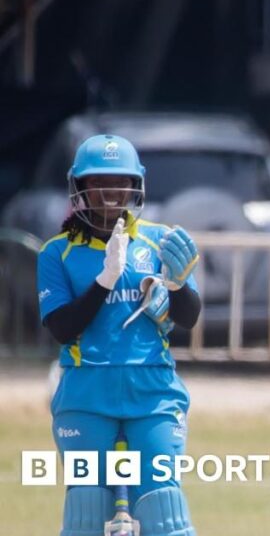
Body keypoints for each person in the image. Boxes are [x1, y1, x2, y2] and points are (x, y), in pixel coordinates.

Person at [36, 134, 202, 536]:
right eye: (98, 183)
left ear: (135, 186)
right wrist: (105, 279)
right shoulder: (57, 252)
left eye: (120, 182)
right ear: (80, 187)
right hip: (86, 393)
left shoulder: (160, 242)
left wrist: (178, 286)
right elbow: (62, 328)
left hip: (154, 392)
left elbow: (189, 318)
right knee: (87, 511)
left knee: (165, 509)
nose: (110, 194)